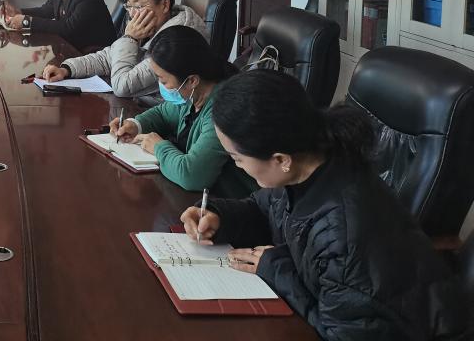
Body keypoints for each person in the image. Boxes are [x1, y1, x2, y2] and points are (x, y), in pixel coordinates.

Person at [180, 70, 469, 340]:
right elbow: (266, 208)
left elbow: (341, 334)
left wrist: (277, 269)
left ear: (280, 160)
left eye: (237, 159)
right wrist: (220, 216)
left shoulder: (345, 233)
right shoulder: (311, 162)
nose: (237, 165)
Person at [107, 26, 255, 197]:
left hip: (231, 201)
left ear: (192, 80)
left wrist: (159, 148)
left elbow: (192, 175)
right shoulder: (192, 95)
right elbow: (163, 114)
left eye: (163, 81)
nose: (161, 86)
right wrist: (135, 125)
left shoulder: (223, 110)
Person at [41, 0, 207, 97]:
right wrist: (67, 69)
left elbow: (122, 86)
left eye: (139, 6)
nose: (132, 14)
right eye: (129, 5)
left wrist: (129, 38)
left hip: (156, 111)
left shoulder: (178, 40)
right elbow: (108, 57)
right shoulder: (152, 24)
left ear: (164, 5)